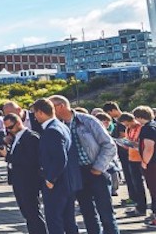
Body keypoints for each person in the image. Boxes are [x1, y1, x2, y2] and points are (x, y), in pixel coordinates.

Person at [49, 95, 119, 234]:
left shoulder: (87, 121)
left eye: (51, 107)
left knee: (105, 213)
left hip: (96, 170)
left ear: (60, 106)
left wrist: (98, 167)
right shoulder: (58, 126)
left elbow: (109, 145)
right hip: (77, 173)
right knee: (88, 213)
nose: (49, 111)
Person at [32, 98, 80, 234]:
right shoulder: (61, 125)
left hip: (57, 183)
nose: (34, 117)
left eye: (35, 113)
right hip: (68, 182)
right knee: (69, 221)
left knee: (54, 221)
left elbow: (60, 158)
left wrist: (50, 179)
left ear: (40, 112)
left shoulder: (51, 130)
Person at [0, 113, 47, 234]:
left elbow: (30, 160)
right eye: (6, 128)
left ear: (19, 123)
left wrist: (7, 156)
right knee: (27, 213)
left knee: (32, 212)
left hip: (28, 180)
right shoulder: (16, 137)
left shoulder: (30, 136)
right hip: (18, 179)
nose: (9, 131)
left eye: (10, 127)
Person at [118, 112, 148, 216]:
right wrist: (124, 143)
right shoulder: (128, 129)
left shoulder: (142, 128)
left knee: (148, 184)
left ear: (133, 120)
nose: (127, 126)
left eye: (127, 124)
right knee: (137, 184)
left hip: (142, 158)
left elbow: (143, 142)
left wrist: (134, 144)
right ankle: (140, 207)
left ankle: (147, 208)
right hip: (132, 158)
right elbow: (129, 142)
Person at [134, 106, 156, 228]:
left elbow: (149, 147)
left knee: (154, 189)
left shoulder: (147, 129)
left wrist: (144, 162)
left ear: (140, 117)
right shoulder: (154, 125)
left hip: (152, 164)